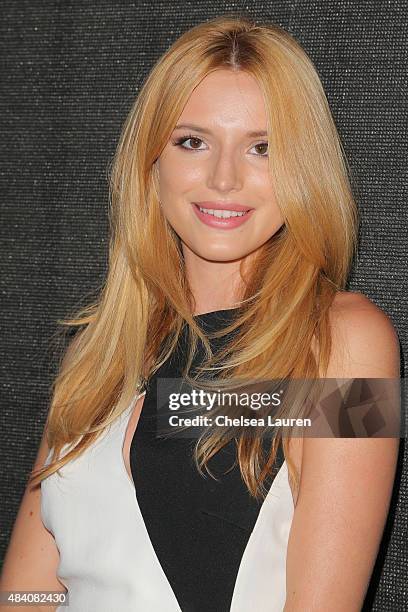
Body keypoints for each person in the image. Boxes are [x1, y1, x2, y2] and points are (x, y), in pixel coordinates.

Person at [1, 14, 400, 612]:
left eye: (263, 148)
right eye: (193, 141)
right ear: (151, 162)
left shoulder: (345, 341)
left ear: (304, 169)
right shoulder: (97, 351)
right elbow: (27, 592)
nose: (224, 178)